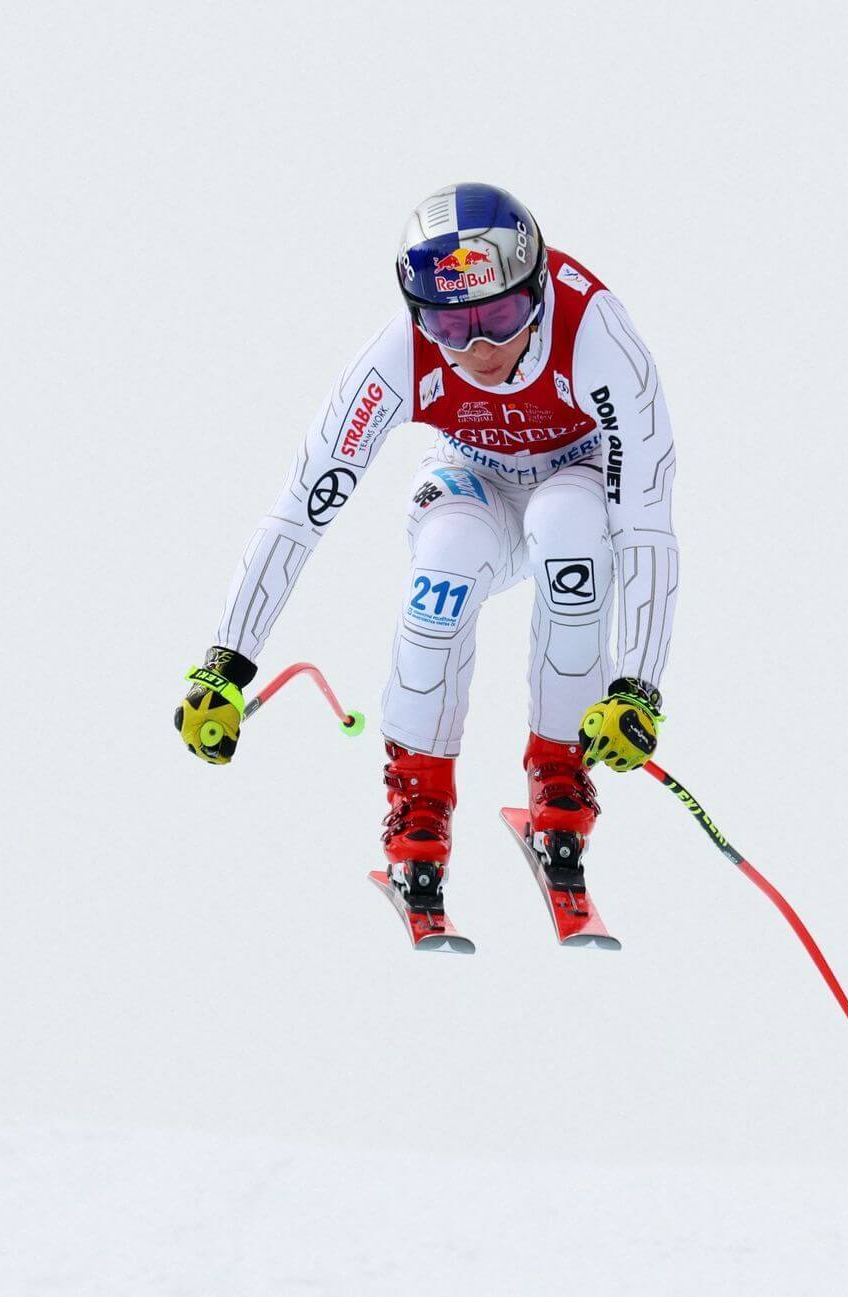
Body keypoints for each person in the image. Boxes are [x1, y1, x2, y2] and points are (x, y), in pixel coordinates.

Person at [175, 182, 678, 920]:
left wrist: (637, 685)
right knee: (440, 568)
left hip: (575, 478)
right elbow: (302, 507)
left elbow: (645, 521)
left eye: (499, 316)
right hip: (473, 480)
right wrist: (227, 661)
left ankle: (562, 781)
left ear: (535, 289)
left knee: (570, 531)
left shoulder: (597, 333)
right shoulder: (397, 357)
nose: (478, 349)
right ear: (420, 318)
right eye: (451, 325)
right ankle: (418, 807)